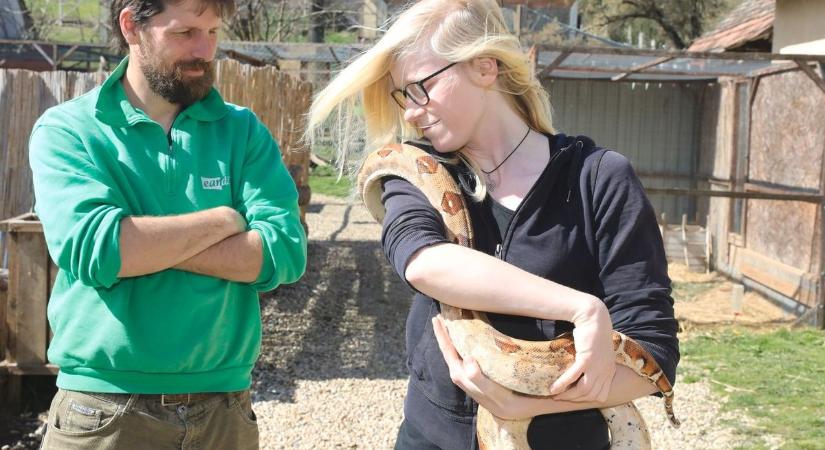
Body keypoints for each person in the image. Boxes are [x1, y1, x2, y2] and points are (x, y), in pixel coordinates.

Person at [306, 0, 679, 449]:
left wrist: (527, 405)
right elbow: (424, 261)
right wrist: (583, 308)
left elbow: (653, 354)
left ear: (485, 67)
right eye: (403, 95)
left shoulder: (600, 178)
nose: (409, 111)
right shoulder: (413, 169)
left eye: (421, 87)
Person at [29, 0, 307, 448]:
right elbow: (96, 251)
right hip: (103, 408)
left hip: (225, 406)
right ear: (131, 27)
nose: (205, 50)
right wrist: (225, 219)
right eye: (185, 33)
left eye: (213, 32)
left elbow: (285, 253)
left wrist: (146, 245)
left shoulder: (242, 130)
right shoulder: (69, 130)